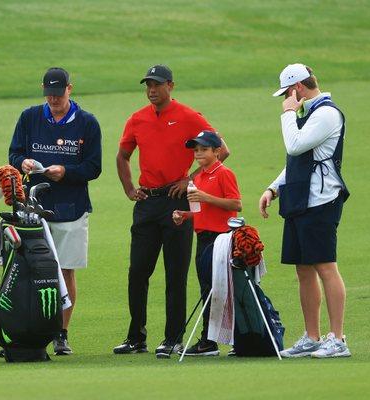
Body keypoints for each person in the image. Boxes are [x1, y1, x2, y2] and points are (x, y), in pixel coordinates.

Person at [114, 64, 229, 358]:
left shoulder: (189, 116)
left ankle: (173, 338)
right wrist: (129, 189)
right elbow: (123, 156)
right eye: (148, 86)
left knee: (175, 273)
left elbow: (222, 150)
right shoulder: (137, 119)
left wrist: (190, 178)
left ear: (170, 86)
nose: (152, 91)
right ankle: (136, 336)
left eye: (157, 85)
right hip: (147, 203)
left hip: (178, 201)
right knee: (137, 271)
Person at [258, 63, 351, 358]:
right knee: (303, 270)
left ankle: (337, 339)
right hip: (300, 198)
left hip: (322, 200)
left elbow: (295, 145)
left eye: (287, 93)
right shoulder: (308, 114)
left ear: (297, 88)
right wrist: (273, 188)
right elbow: (296, 161)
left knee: (325, 266)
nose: (286, 99)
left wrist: (287, 113)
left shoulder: (326, 113)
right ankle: (312, 336)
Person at [9, 67, 102, 355]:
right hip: (32, 208)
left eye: (58, 95)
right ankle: (27, 330)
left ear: (69, 89)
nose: (54, 100)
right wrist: (23, 162)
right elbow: (13, 153)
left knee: (64, 271)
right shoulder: (29, 117)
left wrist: (66, 172)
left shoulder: (87, 123)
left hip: (71, 207)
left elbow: (93, 167)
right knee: (26, 270)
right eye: (49, 95)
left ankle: (61, 333)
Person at [172, 131, 241, 357]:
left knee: (224, 289)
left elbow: (236, 204)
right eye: (196, 150)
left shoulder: (224, 173)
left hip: (222, 239)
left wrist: (205, 197)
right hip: (203, 238)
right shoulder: (198, 178)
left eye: (203, 149)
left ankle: (235, 339)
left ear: (216, 151)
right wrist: (184, 214)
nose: (198, 153)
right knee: (207, 288)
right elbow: (200, 211)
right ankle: (209, 341)